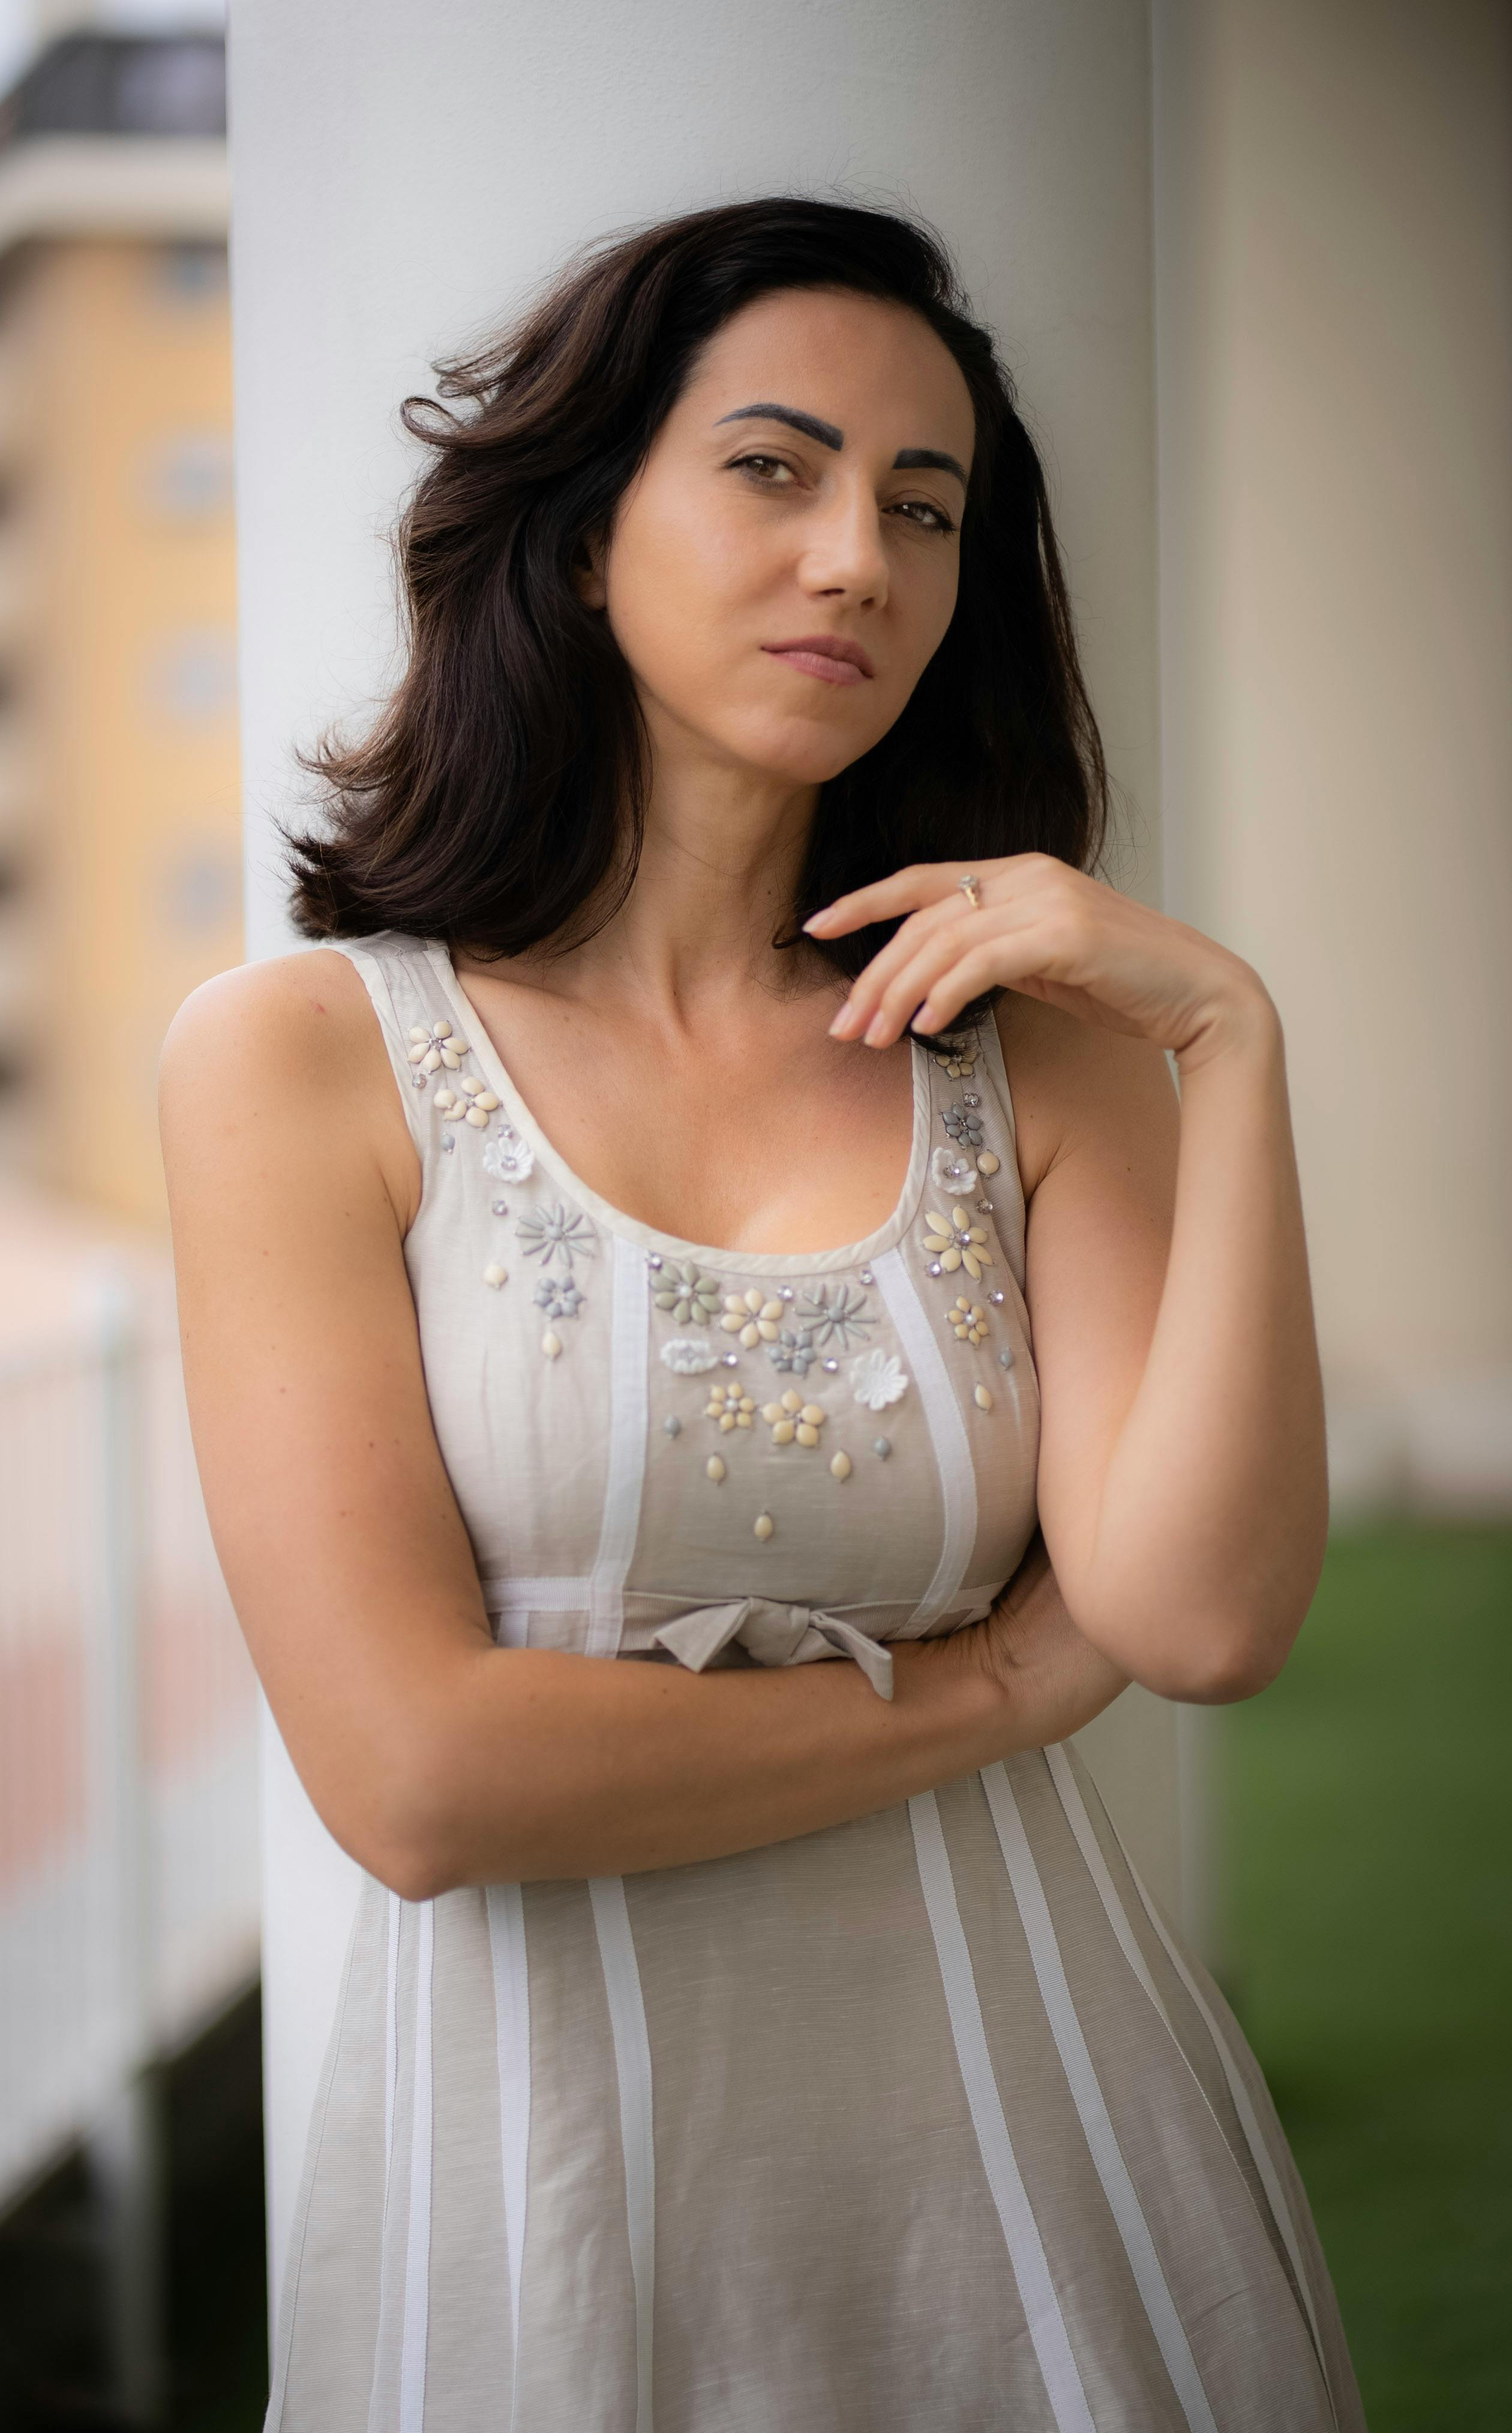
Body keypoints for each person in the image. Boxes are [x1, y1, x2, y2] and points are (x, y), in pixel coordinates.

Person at [162, 197, 1364, 2431]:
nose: (856, 561)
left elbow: (1199, 1620)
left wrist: (1233, 1040)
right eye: (772, 470)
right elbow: (416, 1778)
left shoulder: (1037, 1056)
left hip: (1039, 2140)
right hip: (549, 2182)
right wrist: (988, 1687)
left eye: (924, 507)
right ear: (579, 530)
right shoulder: (302, 1060)